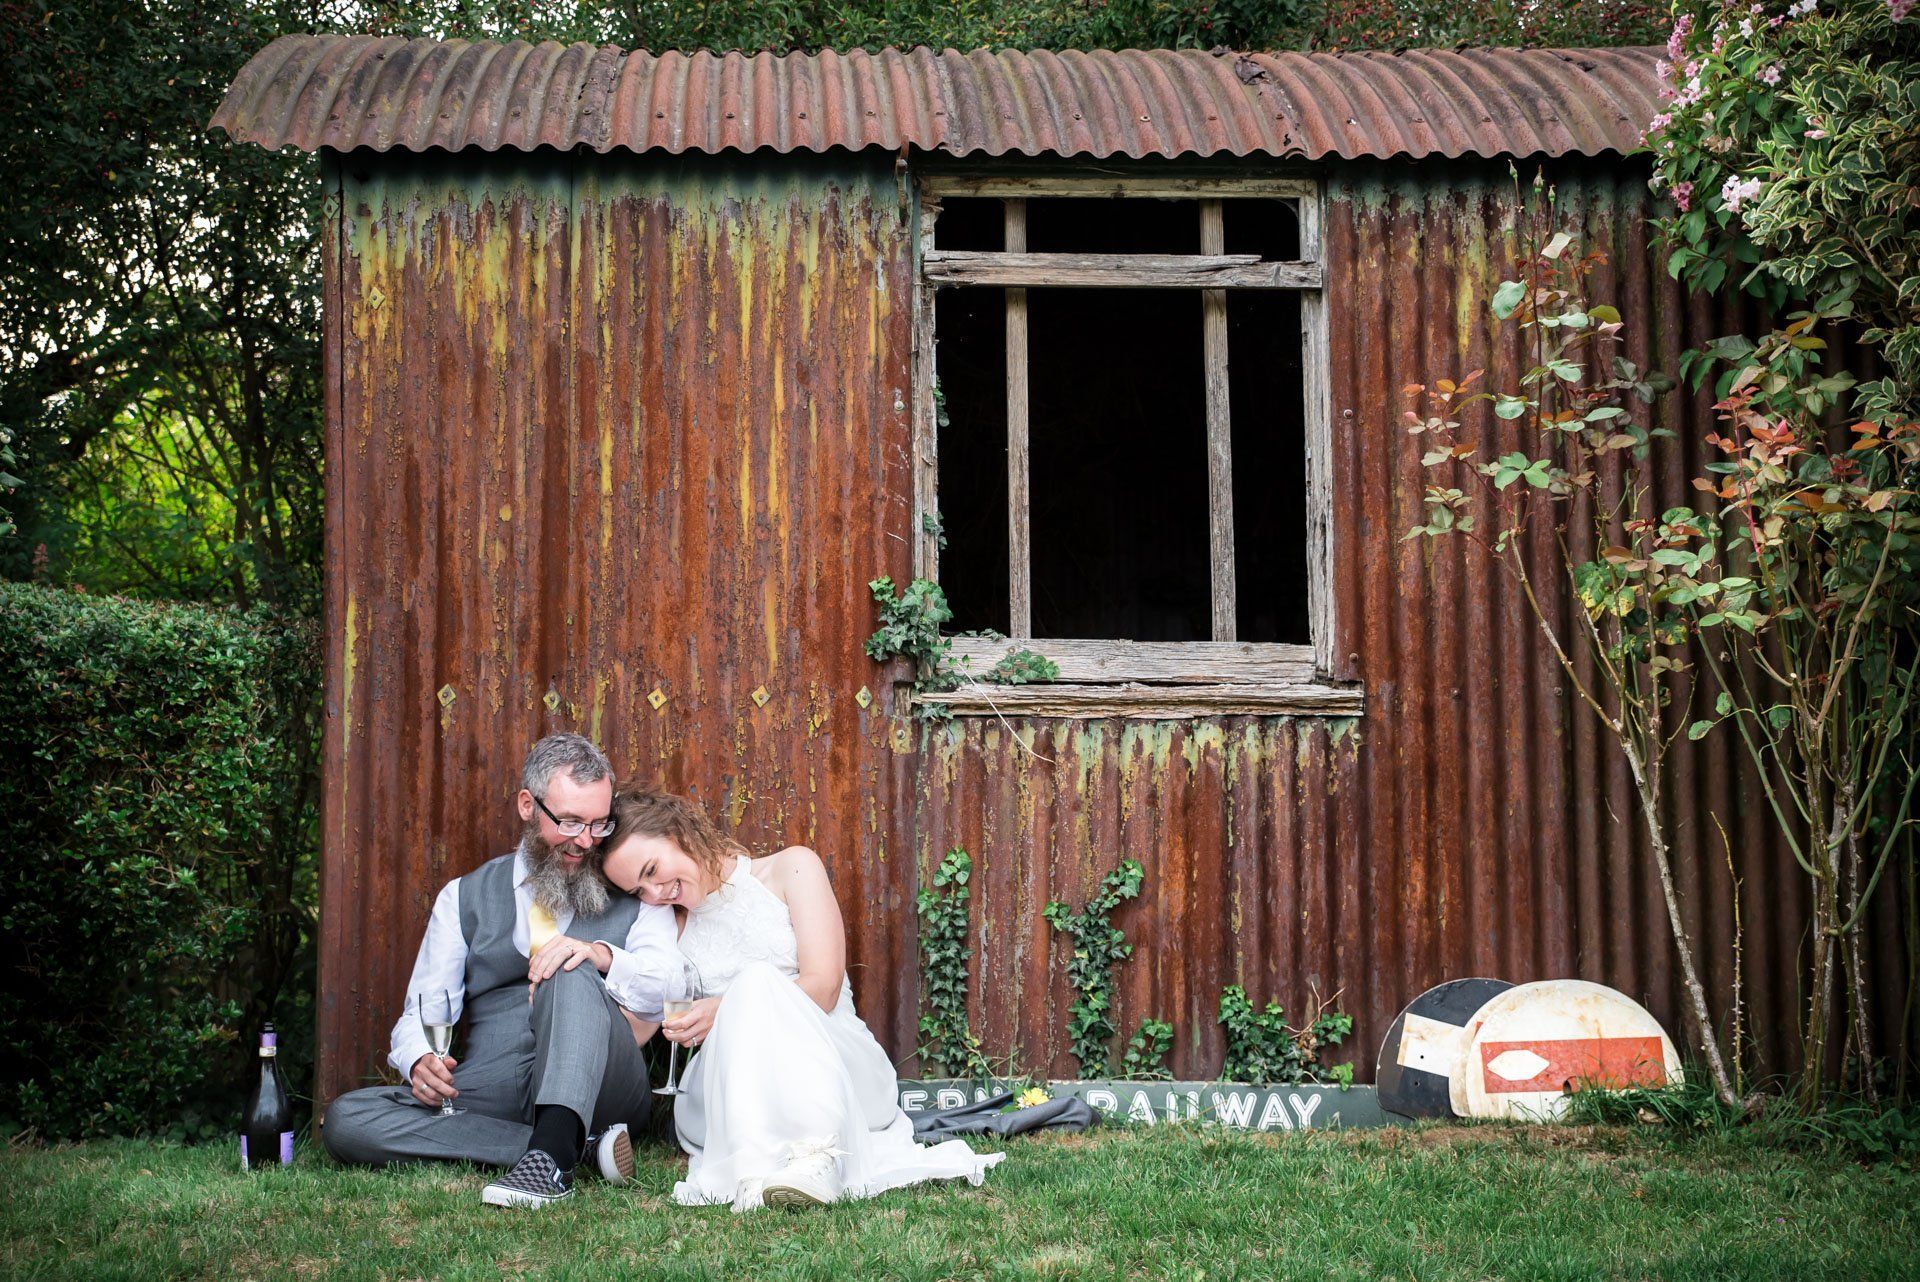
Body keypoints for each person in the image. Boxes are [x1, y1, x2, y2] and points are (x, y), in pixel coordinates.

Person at [601, 788, 1004, 1211]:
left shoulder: (791, 868)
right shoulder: (670, 928)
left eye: (651, 869)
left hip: (835, 1059)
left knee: (756, 981)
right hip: (731, 1089)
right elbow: (642, 1023)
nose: (655, 892)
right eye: (639, 890)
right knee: (752, 988)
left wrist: (725, 1007)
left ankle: (813, 1157)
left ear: (677, 831)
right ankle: (768, 1166)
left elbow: (824, 986)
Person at [321, 734, 680, 1209]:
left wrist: (598, 955)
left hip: (603, 1086)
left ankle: (549, 1162)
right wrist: (418, 1061)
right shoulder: (461, 897)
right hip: (492, 1086)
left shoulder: (635, 893)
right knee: (347, 1118)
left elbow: (669, 986)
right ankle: (575, 1148)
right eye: (571, 822)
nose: (586, 841)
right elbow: (424, 1011)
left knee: (565, 962)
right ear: (528, 806)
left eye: (599, 824)